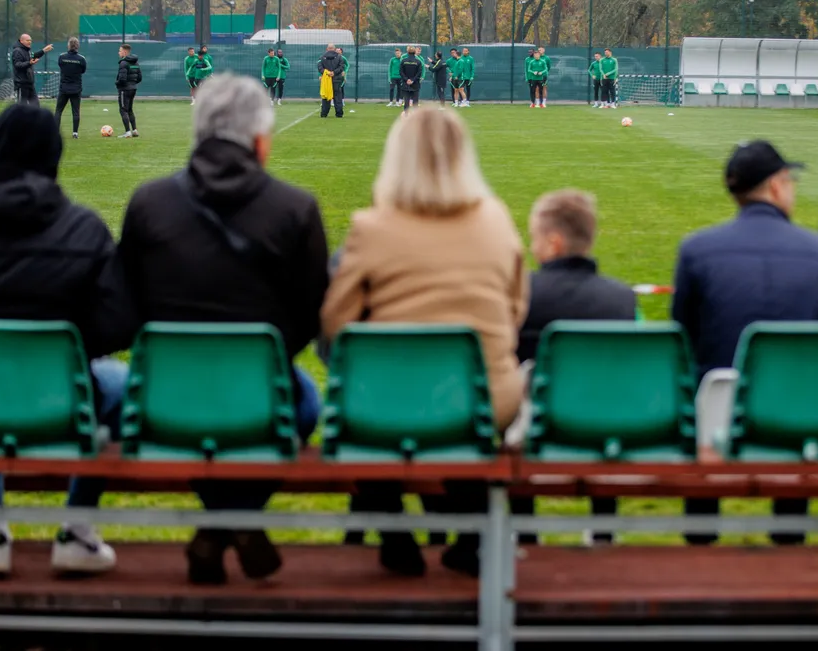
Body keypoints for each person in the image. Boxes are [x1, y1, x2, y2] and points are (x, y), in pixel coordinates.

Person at [117, 74, 328, 584]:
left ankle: (216, 527)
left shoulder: (149, 203)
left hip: (166, 391)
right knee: (303, 403)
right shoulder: (294, 208)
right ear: (259, 139)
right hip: (261, 387)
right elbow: (311, 313)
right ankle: (236, 520)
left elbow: (128, 304)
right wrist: (266, 357)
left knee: (207, 414)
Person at [0, 104, 135, 576]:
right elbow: (118, 324)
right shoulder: (84, 229)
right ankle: (76, 529)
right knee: (126, 382)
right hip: (62, 398)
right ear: (53, 156)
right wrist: (65, 347)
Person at [322, 108, 528, 578]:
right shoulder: (497, 221)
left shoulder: (372, 228)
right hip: (482, 398)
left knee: (364, 405)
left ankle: (395, 533)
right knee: (445, 420)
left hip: (392, 401)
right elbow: (515, 312)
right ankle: (471, 537)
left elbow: (336, 325)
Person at [672, 140, 818, 546]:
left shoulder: (696, 251)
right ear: (775, 187)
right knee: (797, 401)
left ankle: (700, 542)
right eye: (790, 181)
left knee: (706, 391)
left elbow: (683, 339)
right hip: (800, 417)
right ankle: (789, 541)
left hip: (717, 414)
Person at [512, 190, 637, 545]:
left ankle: (524, 533)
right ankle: (603, 530)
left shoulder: (524, 295)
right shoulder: (622, 299)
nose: (532, 248)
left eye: (534, 239)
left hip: (536, 426)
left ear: (552, 243)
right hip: (606, 427)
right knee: (606, 404)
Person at [54, 37, 86, 139]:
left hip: (64, 88)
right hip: (76, 88)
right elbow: (83, 70)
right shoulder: (81, 59)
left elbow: (61, 66)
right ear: (78, 46)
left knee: (58, 110)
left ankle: (55, 132)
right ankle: (75, 133)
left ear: (68, 45)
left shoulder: (62, 57)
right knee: (76, 111)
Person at [12, 33, 54, 106]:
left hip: (29, 83)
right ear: (21, 41)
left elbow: (33, 56)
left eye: (30, 40)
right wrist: (29, 63)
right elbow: (17, 65)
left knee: (36, 106)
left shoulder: (26, 50)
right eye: (27, 40)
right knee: (22, 107)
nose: (30, 42)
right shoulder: (17, 51)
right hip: (22, 83)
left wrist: (44, 50)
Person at [115, 44, 142, 139]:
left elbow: (122, 79)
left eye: (120, 50)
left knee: (123, 110)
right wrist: (133, 83)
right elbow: (139, 77)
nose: (119, 52)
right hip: (133, 88)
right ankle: (134, 130)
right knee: (129, 109)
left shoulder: (123, 63)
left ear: (125, 52)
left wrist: (117, 83)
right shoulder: (136, 63)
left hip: (124, 89)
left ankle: (127, 132)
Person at [317, 44, 345, 119]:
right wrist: (334, 72)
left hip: (326, 80)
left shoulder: (322, 57)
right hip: (336, 79)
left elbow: (320, 67)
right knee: (337, 97)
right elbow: (342, 67)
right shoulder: (339, 57)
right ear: (334, 49)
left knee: (326, 97)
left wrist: (326, 73)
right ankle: (339, 114)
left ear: (327, 49)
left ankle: (324, 114)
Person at [399, 46, 423, 115]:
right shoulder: (418, 62)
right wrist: (413, 80)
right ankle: (415, 117)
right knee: (415, 102)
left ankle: (406, 116)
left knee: (406, 101)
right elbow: (419, 73)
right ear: (415, 52)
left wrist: (407, 80)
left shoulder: (403, 61)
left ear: (407, 52)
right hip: (415, 84)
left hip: (405, 84)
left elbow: (401, 72)